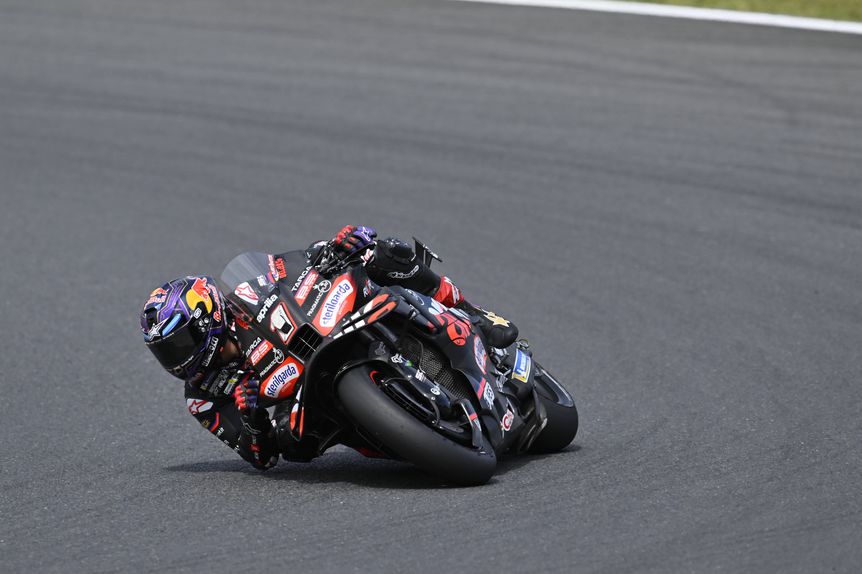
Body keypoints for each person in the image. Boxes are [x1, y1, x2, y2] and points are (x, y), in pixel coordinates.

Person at [140, 225, 518, 470]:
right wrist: (252, 417)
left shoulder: (246, 293)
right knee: (296, 446)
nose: (178, 359)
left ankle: (473, 312)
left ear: (207, 317)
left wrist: (335, 248)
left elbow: (292, 265)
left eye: (179, 343)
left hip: (325, 328)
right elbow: (260, 457)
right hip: (307, 409)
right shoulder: (202, 396)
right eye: (166, 352)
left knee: (383, 252)